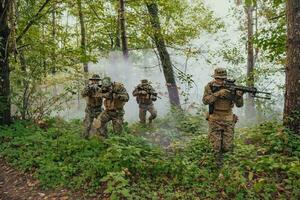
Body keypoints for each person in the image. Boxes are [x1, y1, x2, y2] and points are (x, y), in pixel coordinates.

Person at [202, 68, 244, 165]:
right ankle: (216, 167)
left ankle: (227, 167)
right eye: (218, 79)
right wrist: (218, 94)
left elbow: (239, 105)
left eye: (223, 79)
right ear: (215, 78)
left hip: (228, 119)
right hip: (214, 119)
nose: (221, 81)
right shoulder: (209, 86)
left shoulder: (232, 88)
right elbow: (205, 101)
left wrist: (239, 96)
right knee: (215, 147)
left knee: (227, 147)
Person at [81, 74, 103, 139]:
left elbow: (108, 93)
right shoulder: (88, 87)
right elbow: (83, 94)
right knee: (87, 125)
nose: (96, 81)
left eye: (97, 80)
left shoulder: (102, 87)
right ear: (92, 80)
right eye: (94, 80)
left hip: (98, 109)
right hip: (90, 109)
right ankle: (84, 139)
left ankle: (102, 139)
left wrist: (99, 89)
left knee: (101, 125)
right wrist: (90, 88)